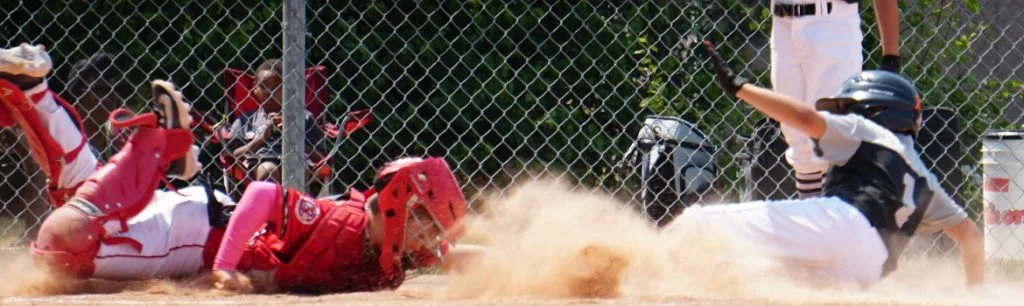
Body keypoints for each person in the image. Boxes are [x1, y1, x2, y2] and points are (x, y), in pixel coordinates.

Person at [664, 42, 984, 286]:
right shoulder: (924, 179)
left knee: (696, 224)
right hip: (869, 269)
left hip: (843, 223)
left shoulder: (868, 130)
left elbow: (805, 118)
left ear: (874, 109)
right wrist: (976, 296)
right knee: (762, 275)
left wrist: (740, 89)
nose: (841, 117)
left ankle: (636, 271)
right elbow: (970, 236)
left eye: (847, 109)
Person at [0, 43, 221, 279]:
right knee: (64, 238)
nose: (107, 98)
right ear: (80, 94)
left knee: (64, 236)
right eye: (99, 91)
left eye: (109, 91)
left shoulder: (112, 131)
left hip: (158, 213)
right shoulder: (92, 130)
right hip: (192, 226)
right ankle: (160, 147)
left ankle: (34, 89)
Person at [211, 157, 471, 293]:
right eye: (426, 229)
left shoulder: (396, 249)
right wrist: (224, 267)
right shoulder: (333, 222)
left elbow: (454, 255)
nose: (427, 240)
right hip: (201, 234)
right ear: (397, 208)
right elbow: (261, 193)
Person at [769, 0, 902, 198]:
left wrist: (891, 57)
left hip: (831, 22)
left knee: (830, 133)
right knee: (796, 137)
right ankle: (814, 218)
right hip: (782, 23)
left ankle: (837, 220)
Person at [226, 59, 325, 183]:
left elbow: (320, 158)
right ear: (254, 88)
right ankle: (273, 200)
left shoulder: (304, 117)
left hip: (297, 161)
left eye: (276, 87)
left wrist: (292, 137)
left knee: (295, 169)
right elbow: (231, 156)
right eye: (263, 86)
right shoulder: (246, 120)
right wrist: (261, 139)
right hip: (260, 162)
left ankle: (292, 200)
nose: (269, 92)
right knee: (268, 170)